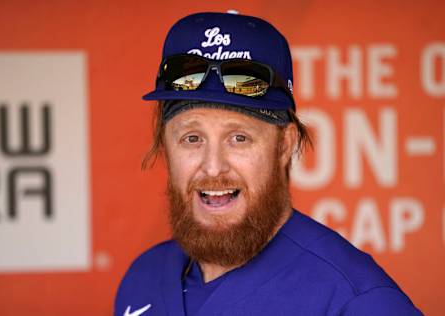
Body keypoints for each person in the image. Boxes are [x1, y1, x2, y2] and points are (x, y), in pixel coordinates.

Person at [114, 11, 423, 316]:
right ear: (165, 146)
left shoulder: (354, 299)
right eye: (192, 138)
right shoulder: (143, 279)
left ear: (284, 145)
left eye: (239, 138)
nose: (212, 167)